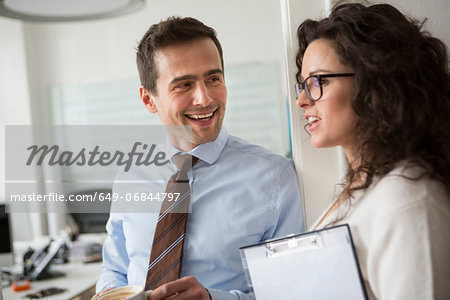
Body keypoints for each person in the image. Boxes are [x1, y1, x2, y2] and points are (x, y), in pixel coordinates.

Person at [94, 17, 304, 300]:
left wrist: (213, 299)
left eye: (213, 79)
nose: (204, 98)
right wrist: (107, 292)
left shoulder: (276, 178)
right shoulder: (131, 173)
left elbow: (290, 292)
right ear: (148, 99)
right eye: (183, 85)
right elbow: (116, 267)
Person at [294, 2, 450, 299]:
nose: (302, 99)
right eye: (302, 84)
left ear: (375, 82)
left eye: (318, 81)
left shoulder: (409, 200)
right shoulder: (360, 189)